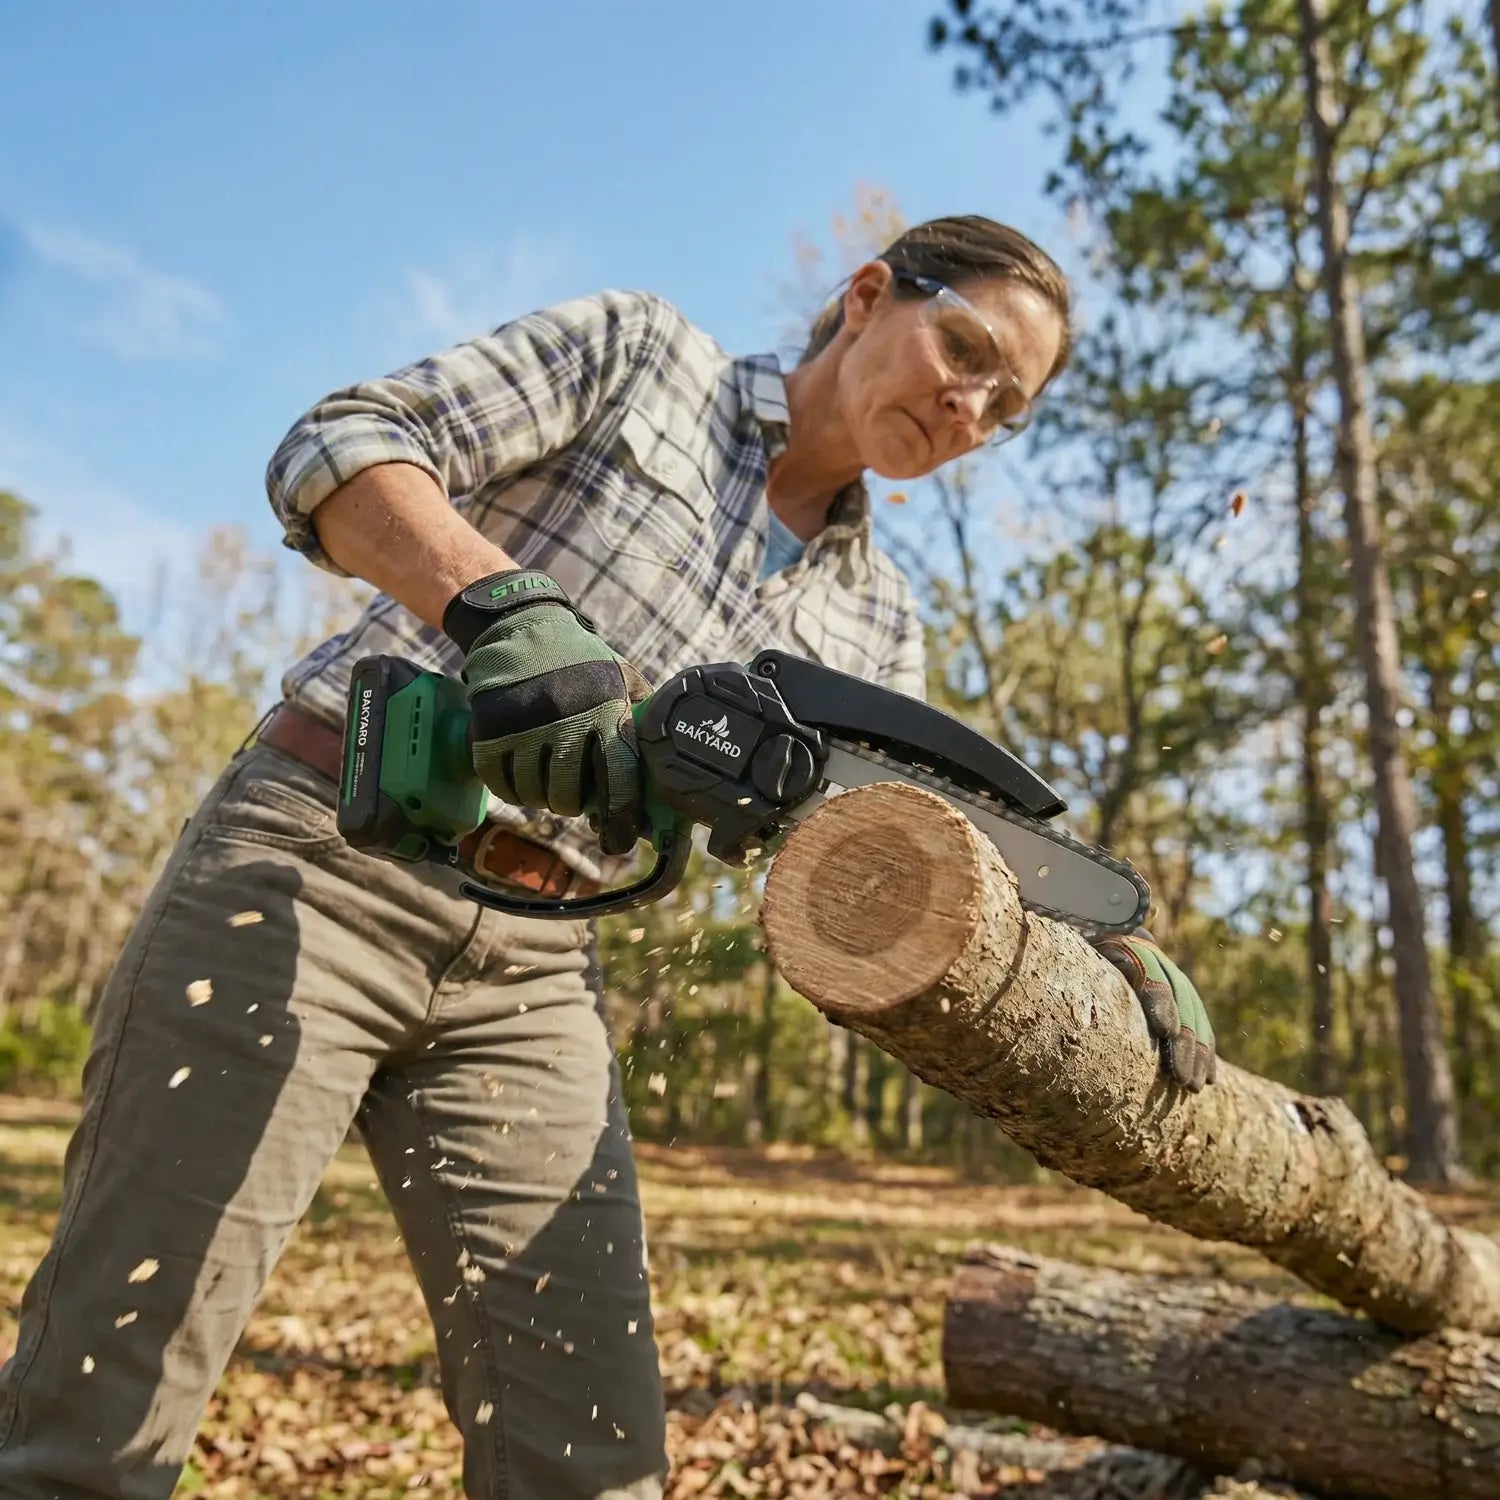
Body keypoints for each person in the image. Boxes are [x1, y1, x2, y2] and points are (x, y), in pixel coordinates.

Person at [0, 215, 1215, 1500]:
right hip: (320, 862)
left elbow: (910, 849)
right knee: (106, 1411)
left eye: (1004, 402)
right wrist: (503, 604)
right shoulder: (647, 361)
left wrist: (1094, 949)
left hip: (535, 971)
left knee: (592, 1456)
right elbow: (341, 441)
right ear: (868, 296)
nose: (969, 400)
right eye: (962, 345)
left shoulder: (877, 621)